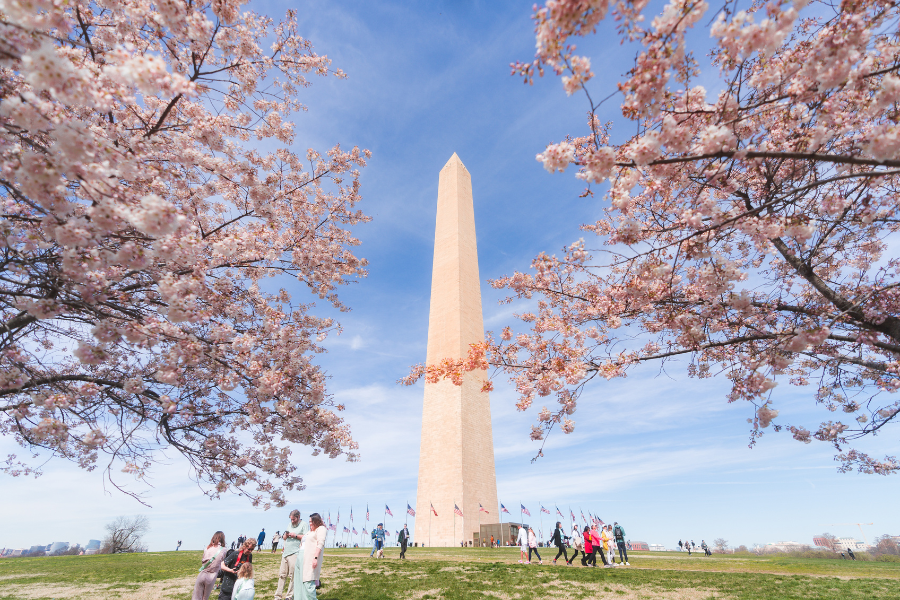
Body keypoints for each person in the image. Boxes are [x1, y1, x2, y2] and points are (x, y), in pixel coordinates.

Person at [275, 510, 307, 600]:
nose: (292, 521)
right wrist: (286, 535)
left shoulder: (304, 524)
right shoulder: (289, 524)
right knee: (282, 575)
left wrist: (295, 536)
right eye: (291, 519)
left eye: (294, 519)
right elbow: (284, 538)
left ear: (298, 516)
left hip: (295, 552)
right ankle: (277, 596)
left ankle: (289, 596)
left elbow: (306, 537)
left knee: (293, 576)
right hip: (286, 553)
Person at [293, 512, 327, 600]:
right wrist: (294, 535)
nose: (310, 524)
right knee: (298, 582)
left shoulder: (321, 529)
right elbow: (304, 538)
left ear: (316, 521)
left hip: (309, 557)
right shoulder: (309, 531)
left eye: (311, 522)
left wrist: (315, 558)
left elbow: (320, 543)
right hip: (300, 556)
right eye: (309, 522)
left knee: (308, 582)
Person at [192, 531, 226, 600]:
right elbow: (222, 561)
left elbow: (203, 560)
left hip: (202, 574)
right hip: (212, 576)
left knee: (196, 597)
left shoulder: (207, 548)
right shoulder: (223, 550)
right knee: (205, 598)